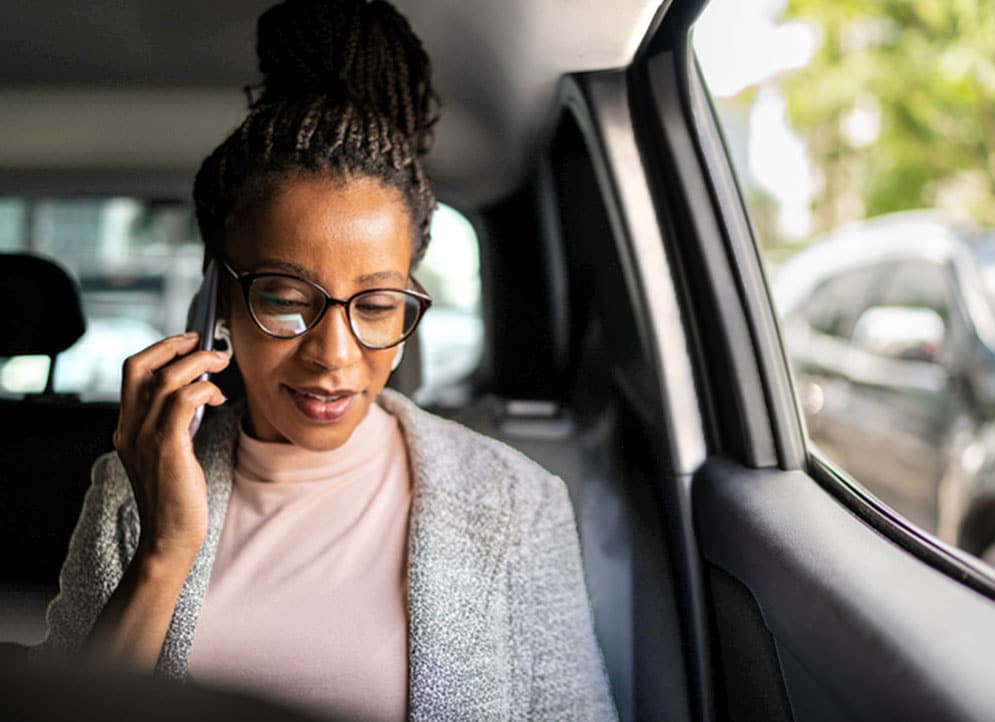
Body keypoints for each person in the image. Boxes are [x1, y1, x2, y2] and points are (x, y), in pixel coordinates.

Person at [36, 1, 617, 719]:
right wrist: (164, 548)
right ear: (219, 296)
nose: (333, 357)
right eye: (285, 300)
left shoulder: (516, 504)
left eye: (375, 306)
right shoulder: (130, 491)